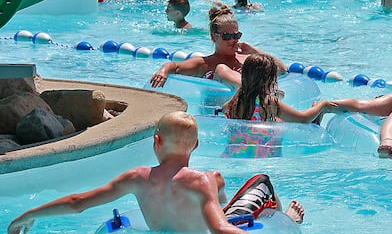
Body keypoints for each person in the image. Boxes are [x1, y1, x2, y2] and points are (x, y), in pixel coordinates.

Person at [7, 111, 305, 234]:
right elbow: (219, 230)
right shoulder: (201, 181)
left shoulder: (137, 177)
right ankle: (287, 220)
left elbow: (77, 202)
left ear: (156, 142)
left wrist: (28, 215)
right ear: (197, 145)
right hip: (213, 213)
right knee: (260, 181)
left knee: (218, 184)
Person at [150, 4, 286, 89]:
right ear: (214, 37)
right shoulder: (204, 63)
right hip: (217, 116)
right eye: (227, 36)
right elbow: (175, 66)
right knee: (221, 69)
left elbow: (282, 69)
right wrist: (163, 71)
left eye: (236, 35)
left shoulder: (246, 59)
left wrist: (255, 51)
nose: (233, 40)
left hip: (245, 114)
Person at [224, 54, 333, 122]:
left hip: (238, 151)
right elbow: (302, 119)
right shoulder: (269, 102)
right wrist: (323, 105)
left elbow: (224, 109)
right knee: (314, 113)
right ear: (269, 79)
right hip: (262, 154)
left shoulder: (237, 99)